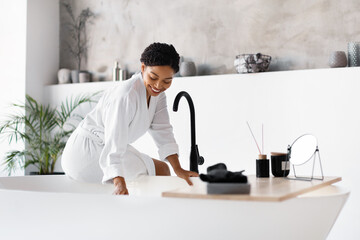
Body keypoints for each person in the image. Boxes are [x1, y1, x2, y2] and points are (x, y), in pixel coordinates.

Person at [61, 42, 199, 195]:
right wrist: (119, 182)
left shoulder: (158, 96)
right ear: (142, 68)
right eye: (153, 77)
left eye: (167, 81)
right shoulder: (126, 95)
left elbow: (163, 131)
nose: (158, 85)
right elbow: (114, 139)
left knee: (163, 169)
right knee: (161, 171)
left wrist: (178, 169)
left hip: (104, 146)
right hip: (86, 152)